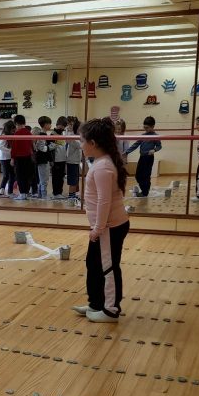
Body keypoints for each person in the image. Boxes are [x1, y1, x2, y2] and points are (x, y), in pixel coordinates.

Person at [72, 119, 130, 323]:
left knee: (107, 267)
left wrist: (98, 228)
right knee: (93, 263)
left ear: (93, 143)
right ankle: (96, 303)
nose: (80, 144)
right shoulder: (101, 162)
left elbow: (104, 201)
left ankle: (111, 310)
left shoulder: (103, 167)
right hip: (105, 227)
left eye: (82, 140)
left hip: (109, 227)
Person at [125, 116, 162, 197]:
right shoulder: (143, 135)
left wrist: (154, 150)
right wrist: (126, 152)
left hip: (149, 158)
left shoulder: (155, 136)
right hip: (142, 157)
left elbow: (159, 146)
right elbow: (135, 145)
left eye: (147, 127)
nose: (145, 129)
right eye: (144, 127)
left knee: (146, 175)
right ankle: (144, 189)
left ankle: (145, 192)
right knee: (138, 175)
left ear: (153, 126)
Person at [10, 114, 35, 201]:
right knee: (27, 176)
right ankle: (26, 193)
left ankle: (22, 194)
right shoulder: (29, 133)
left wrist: (12, 158)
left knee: (20, 176)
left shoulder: (17, 133)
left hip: (19, 158)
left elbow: (14, 148)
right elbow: (31, 146)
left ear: (16, 123)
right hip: (28, 157)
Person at [65, 117, 83, 204]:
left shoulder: (76, 137)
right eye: (80, 128)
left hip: (75, 162)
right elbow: (80, 146)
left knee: (75, 180)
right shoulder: (73, 137)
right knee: (73, 181)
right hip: (72, 162)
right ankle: (71, 197)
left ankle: (73, 195)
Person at [34, 116, 53, 199]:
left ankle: (40, 194)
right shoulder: (41, 134)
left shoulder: (44, 134)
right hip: (42, 159)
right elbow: (41, 148)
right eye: (49, 124)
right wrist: (51, 147)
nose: (50, 125)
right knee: (43, 178)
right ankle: (43, 195)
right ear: (45, 125)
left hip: (44, 159)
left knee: (44, 178)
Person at [0, 119, 16, 197]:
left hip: (9, 158)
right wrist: (10, 150)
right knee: (6, 175)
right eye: (12, 129)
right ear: (9, 129)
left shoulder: (11, 135)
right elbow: (0, 147)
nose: (14, 131)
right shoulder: (4, 136)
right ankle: (1, 191)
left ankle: (10, 192)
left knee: (12, 175)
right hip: (4, 158)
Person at [51, 117, 68, 199]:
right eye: (62, 125)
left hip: (62, 159)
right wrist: (52, 160)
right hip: (56, 159)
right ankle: (56, 193)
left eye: (64, 126)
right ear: (58, 124)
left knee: (61, 177)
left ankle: (59, 192)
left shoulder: (62, 134)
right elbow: (51, 148)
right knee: (56, 177)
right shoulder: (53, 134)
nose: (63, 127)